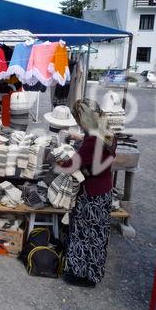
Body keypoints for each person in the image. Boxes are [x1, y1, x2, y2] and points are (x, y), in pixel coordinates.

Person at [60, 99, 117, 287]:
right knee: (97, 236)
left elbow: (71, 165)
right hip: (105, 189)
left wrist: (59, 158)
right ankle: (93, 274)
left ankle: (79, 275)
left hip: (92, 193)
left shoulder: (92, 141)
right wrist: (79, 138)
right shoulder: (107, 132)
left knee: (83, 234)